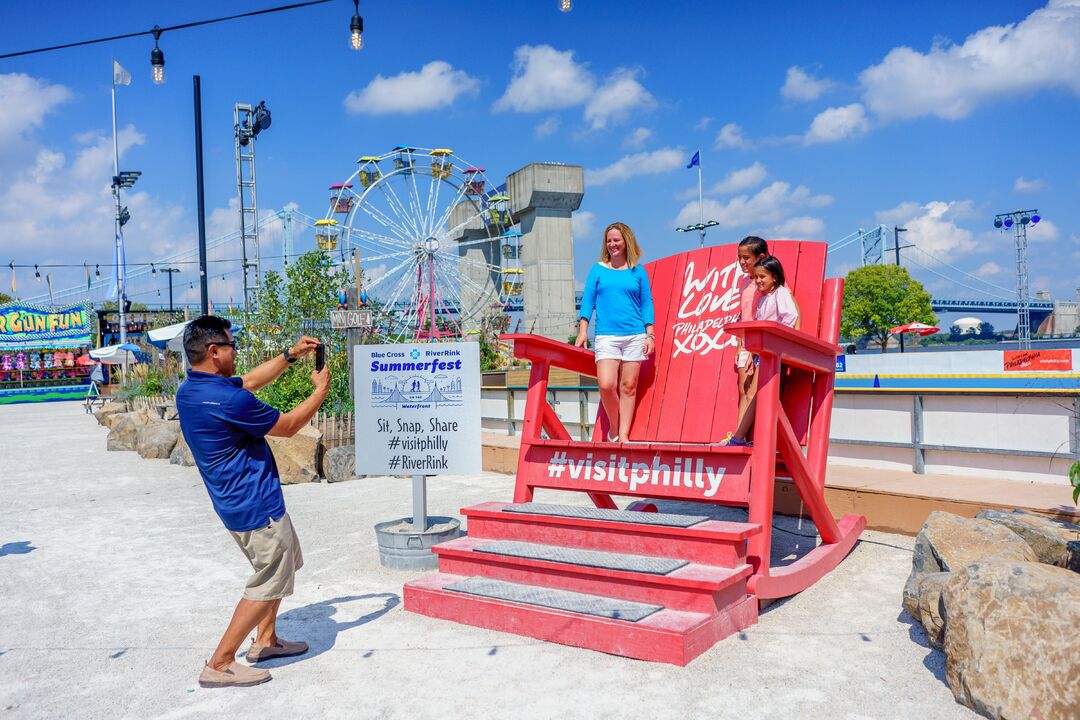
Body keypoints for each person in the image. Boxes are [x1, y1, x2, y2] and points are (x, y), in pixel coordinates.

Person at [176, 315, 328, 688]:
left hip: (242, 502)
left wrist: (290, 355)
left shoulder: (193, 389)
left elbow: (253, 379)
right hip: (255, 505)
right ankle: (221, 662)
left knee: (284, 565)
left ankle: (265, 640)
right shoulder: (229, 400)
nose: (236, 351)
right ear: (214, 352)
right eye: (231, 345)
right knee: (269, 580)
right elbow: (290, 426)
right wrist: (320, 392)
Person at [575, 222, 655, 442]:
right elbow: (587, 302)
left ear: (626, 241)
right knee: (606, 384)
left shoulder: (638, 270)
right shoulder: (597, 269)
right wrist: (582, 331)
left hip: (635, 335)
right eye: (609, 241)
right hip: (606, 335)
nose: (612, 244)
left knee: (629, 387)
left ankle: (624, 435)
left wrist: (650, 334)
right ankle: (614, 427)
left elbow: (646, 303)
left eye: (616, 240)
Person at [722, 255, 799, 446]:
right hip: (762, 353)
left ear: (774, 276)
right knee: (760, 396)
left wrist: (778, 338)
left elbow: (791, 316)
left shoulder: (780, 293)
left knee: (756, 394)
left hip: (773, 352)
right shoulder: (764, 299)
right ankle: (756, 440)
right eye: (755, 277)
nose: (757, 281)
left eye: (762, 277)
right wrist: (753, 352)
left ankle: (739, 438)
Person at [733, 236, 769, 427]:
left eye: (746, 257)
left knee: (755, 391)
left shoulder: (767, 281)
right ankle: (738, 436)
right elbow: (743, 315)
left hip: (762, 343)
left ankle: (743, 436)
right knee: (743, 388)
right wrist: (739, 345)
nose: (742, 262)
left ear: (760, 257)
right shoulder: (744, 282)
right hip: (746, 341)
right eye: (739, 257)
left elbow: (790, 309)